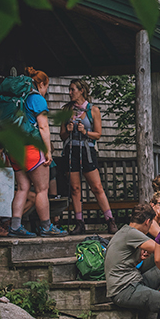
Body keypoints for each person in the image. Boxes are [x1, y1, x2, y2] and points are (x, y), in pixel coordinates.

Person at [0, 68, 67, 238]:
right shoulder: (36, 98)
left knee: (22, 188)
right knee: (42, 190)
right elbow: (43, 127)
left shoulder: (16, 99)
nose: (46, 91)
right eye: (47, 87)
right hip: (32, 149)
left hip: (14, 148)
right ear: (42, 84)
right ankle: (46, 226)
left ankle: (15, 226)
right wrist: (48, 151)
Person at [61, 79, 116, 235]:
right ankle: (79, 222)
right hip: (71, 149)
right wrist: (68, 129)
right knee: (75, 188)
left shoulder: (93, 110)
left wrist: (85, 132)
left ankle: (110, 220)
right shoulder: (66, 110)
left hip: (87, 151)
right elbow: (62, 135)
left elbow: (98, 134)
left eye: (73, 89)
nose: (70, 92)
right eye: (69, 89)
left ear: (81, 91)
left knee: (96, 187)